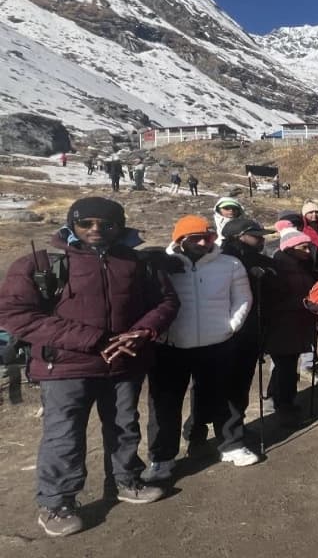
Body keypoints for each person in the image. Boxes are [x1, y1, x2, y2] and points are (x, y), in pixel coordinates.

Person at [0, 197, 179, 537]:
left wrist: (143, 331)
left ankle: (126, 481)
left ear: (120, 226)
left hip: (124, 362)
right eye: (86, 223)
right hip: (65, 365)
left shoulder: (138, 262)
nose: (96, 229)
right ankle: (56, 502)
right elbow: (15, 314)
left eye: (107, 224)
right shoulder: (41, 261)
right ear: (72, 224)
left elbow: (167, 301)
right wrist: (93, 339)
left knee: (125, 426)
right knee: (63, 436)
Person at [144, 215, 256, 483]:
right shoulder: (162, 264)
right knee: (164, 404)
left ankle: (231, 444)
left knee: (225, 397)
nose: (203, 242)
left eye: (208, 237)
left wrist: (232, 325)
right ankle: (162, 458)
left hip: (217, 342)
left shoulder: (229, 264)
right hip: (171, 345)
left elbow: (242, 297)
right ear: (180, 239)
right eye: (195, 237)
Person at [215, 218, 280, 451]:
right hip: (230, 331)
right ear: (239, 236)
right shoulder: (224, 261)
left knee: (241, 383)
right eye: (256, 235)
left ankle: (235, 426)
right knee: (229, 385)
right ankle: (227, 433)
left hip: (252, 330)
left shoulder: (257, 259)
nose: (262, 239)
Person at [265, 223, 318, 425]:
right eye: (303, 247)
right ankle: (284, 406)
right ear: (291, 248)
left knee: (288, 366)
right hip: (283, 325)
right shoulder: (279, 269)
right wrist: (304, 303)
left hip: (297, 323)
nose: (308, 251)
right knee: (285, 368)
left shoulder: (301, 266)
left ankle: (285, 402)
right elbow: (276, 299)